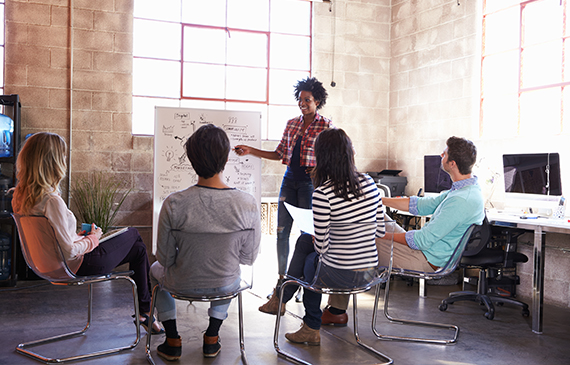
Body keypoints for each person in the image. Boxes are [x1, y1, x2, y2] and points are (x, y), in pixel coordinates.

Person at [323, 136, 486, 325]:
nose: (441, 154)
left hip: (425, 258)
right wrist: (377, 199)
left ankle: (336, 311)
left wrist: (380, 235)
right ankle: (338, 304)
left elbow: (422, 240)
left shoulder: (461, 200)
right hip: (424, 250)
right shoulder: (462, 189)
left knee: (352, 240)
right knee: (377, 216)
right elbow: (422, 205)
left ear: (452, 163)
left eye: (445, 152)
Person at [11, 132, 161, 334]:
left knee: (137, 250)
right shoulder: (51, 201)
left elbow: (52, 240)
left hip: (43, 266)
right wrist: (93, 238)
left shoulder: (19, 197)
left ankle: (145, 312)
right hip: (77, 265)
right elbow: (70, 251)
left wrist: (77, 235)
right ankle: (145, 311)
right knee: (133, 235)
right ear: (52, 162)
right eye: (62, 156)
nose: (64, 160)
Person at [256, 128, 385, 345]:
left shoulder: (323, 193)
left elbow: (322, 249)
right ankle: (282, 301)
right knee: (304, 241)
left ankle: (306, 321)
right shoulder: (370, 183)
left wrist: (325, 237)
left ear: (321, 158)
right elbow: (380, 231)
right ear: (349, 153)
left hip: (341, 275)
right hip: (368, 272)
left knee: (309, 260)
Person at [150, 124, 261, 361]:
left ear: (191, 159)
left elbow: (165, 259)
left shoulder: (173, 203)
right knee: (230, 270)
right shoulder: (247, 203)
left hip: (181, 282)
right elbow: (249, 258)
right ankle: (212, 337)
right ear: (225, 157)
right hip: (225, 284)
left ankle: (172, 340)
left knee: (153, 271)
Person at [235, 77, 334, 302]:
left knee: (308, 234)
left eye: (307, 100)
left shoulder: (326, 126)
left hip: (310, 184)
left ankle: (302, 282)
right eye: (300, 100)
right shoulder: (292, 124)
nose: (303, 104)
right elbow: (280, 153)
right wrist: (251, 150)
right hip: (289, 180)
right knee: (281, 232)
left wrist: (320, 170)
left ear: (317, 101)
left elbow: (344, 150)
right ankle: (282, 281)